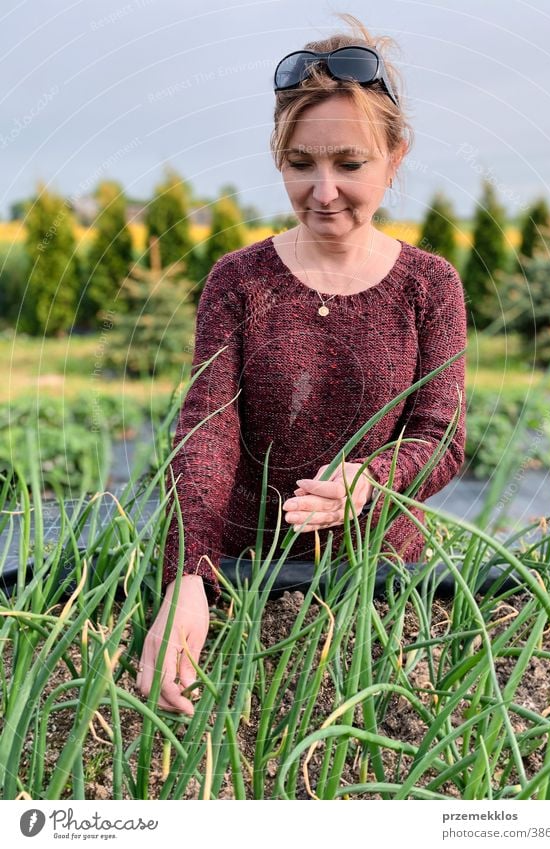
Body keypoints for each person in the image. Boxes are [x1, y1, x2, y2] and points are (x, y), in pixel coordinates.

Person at [136, 13, 467, 716]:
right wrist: (187, 576)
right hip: (240, 575)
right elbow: (207, 433)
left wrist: (370, 482)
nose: (323, 191)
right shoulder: (239, 280)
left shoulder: (430, 285)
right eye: (301, 164)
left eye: (349, 164)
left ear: (395, 156)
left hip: (379, 580)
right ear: (277, 156)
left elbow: (441, 433)